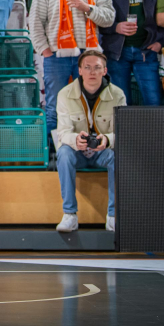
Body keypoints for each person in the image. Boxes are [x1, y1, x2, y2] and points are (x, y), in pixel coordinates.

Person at [28, 0, 115, 133]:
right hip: (56, 56)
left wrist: (88, 8)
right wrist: (45, 50)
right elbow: (34, 21)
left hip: (88, 56)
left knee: (89, 107)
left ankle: (89, 150)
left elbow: (109, 17)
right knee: (54, 108)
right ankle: (53, 156)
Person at [54, 50, 122, 233]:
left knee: (119, 157)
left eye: (97, 68)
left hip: (102, 152)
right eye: (88, 67)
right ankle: (70, 215)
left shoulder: (118, 95)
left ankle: (113, 216)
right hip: (77, 152)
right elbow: (62, 133)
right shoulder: (64, 94)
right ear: (80, 71)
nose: (92, 72)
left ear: (105, 70)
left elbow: (122, 133)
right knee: (63, 153)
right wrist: (76, 140)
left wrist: (106, 140)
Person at [96, 0, 164, 107]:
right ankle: (124, 136)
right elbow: (96, 15)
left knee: (154, 102)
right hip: (117, 50)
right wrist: (115, 27)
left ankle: (155, 135)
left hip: (146, 50)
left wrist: (160, 41)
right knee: (121, 105)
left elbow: (162, 11)